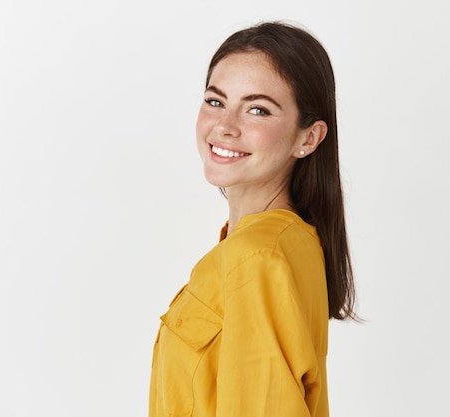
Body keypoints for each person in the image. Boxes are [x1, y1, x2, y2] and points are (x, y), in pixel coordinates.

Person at [149, 21, 357, 417]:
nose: (225, 127)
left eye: (257, 109)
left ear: (308, 139)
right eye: (215, 101)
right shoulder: (283, 242)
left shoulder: (258, 257)